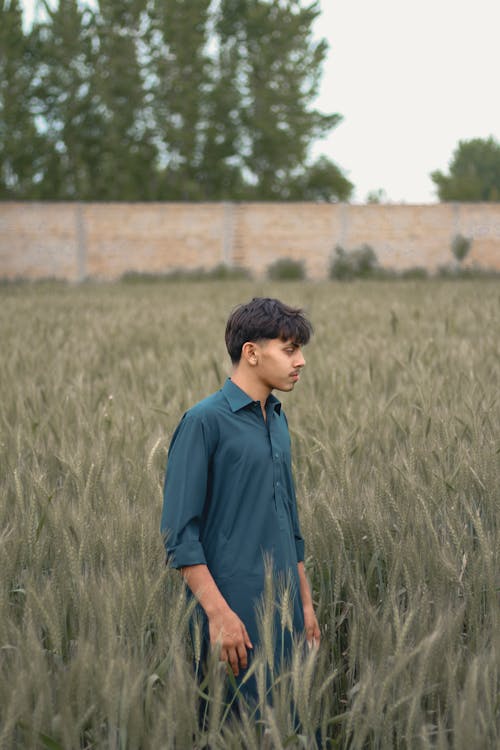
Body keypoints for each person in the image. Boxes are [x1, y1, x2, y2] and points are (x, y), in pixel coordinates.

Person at [161, 297, 320, 706]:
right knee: (236, 726)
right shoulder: (203, 422)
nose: (300, 361)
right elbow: (180, 535)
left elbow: (290, 520)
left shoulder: (279, 419)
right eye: (289, 350)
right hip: (234, 616)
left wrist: (304, 604)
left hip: (286, 613)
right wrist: (218, 614)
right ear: (251, 352)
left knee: (290, 724)